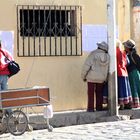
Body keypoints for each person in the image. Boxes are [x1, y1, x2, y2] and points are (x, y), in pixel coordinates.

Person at [81, 41, 110, 112]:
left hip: (91, 78)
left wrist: (83, 76)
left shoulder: (93, 54)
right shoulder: (108, 56)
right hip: (101, 78)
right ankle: (99, 107)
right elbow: (108, 69)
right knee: (99, 93)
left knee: (90, 93)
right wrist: (106, 78)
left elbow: (86, 66)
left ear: (98, 47)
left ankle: (90, 108)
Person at [123, 39, 140, 108]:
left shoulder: (133, 55)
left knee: (134, 88)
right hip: (134, 73)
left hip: (133, 73)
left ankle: (135, 104)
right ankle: (135, 103)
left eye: (125, 46)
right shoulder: (130, 55)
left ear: (128, 48)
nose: (124, 47)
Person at [116, 39, 132, 110]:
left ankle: (121, 105)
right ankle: (128, 104)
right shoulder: (123, 52)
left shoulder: (115, 52)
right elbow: (127, 62)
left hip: (118, 73)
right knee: (125, 90)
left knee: (120, 90)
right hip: (124, 73)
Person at [0, 40, 13, 116]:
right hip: (5, 76)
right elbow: (12, 61)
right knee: (5, 94)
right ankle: (10, 112)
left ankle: (1, 112)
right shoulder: (5, 52)